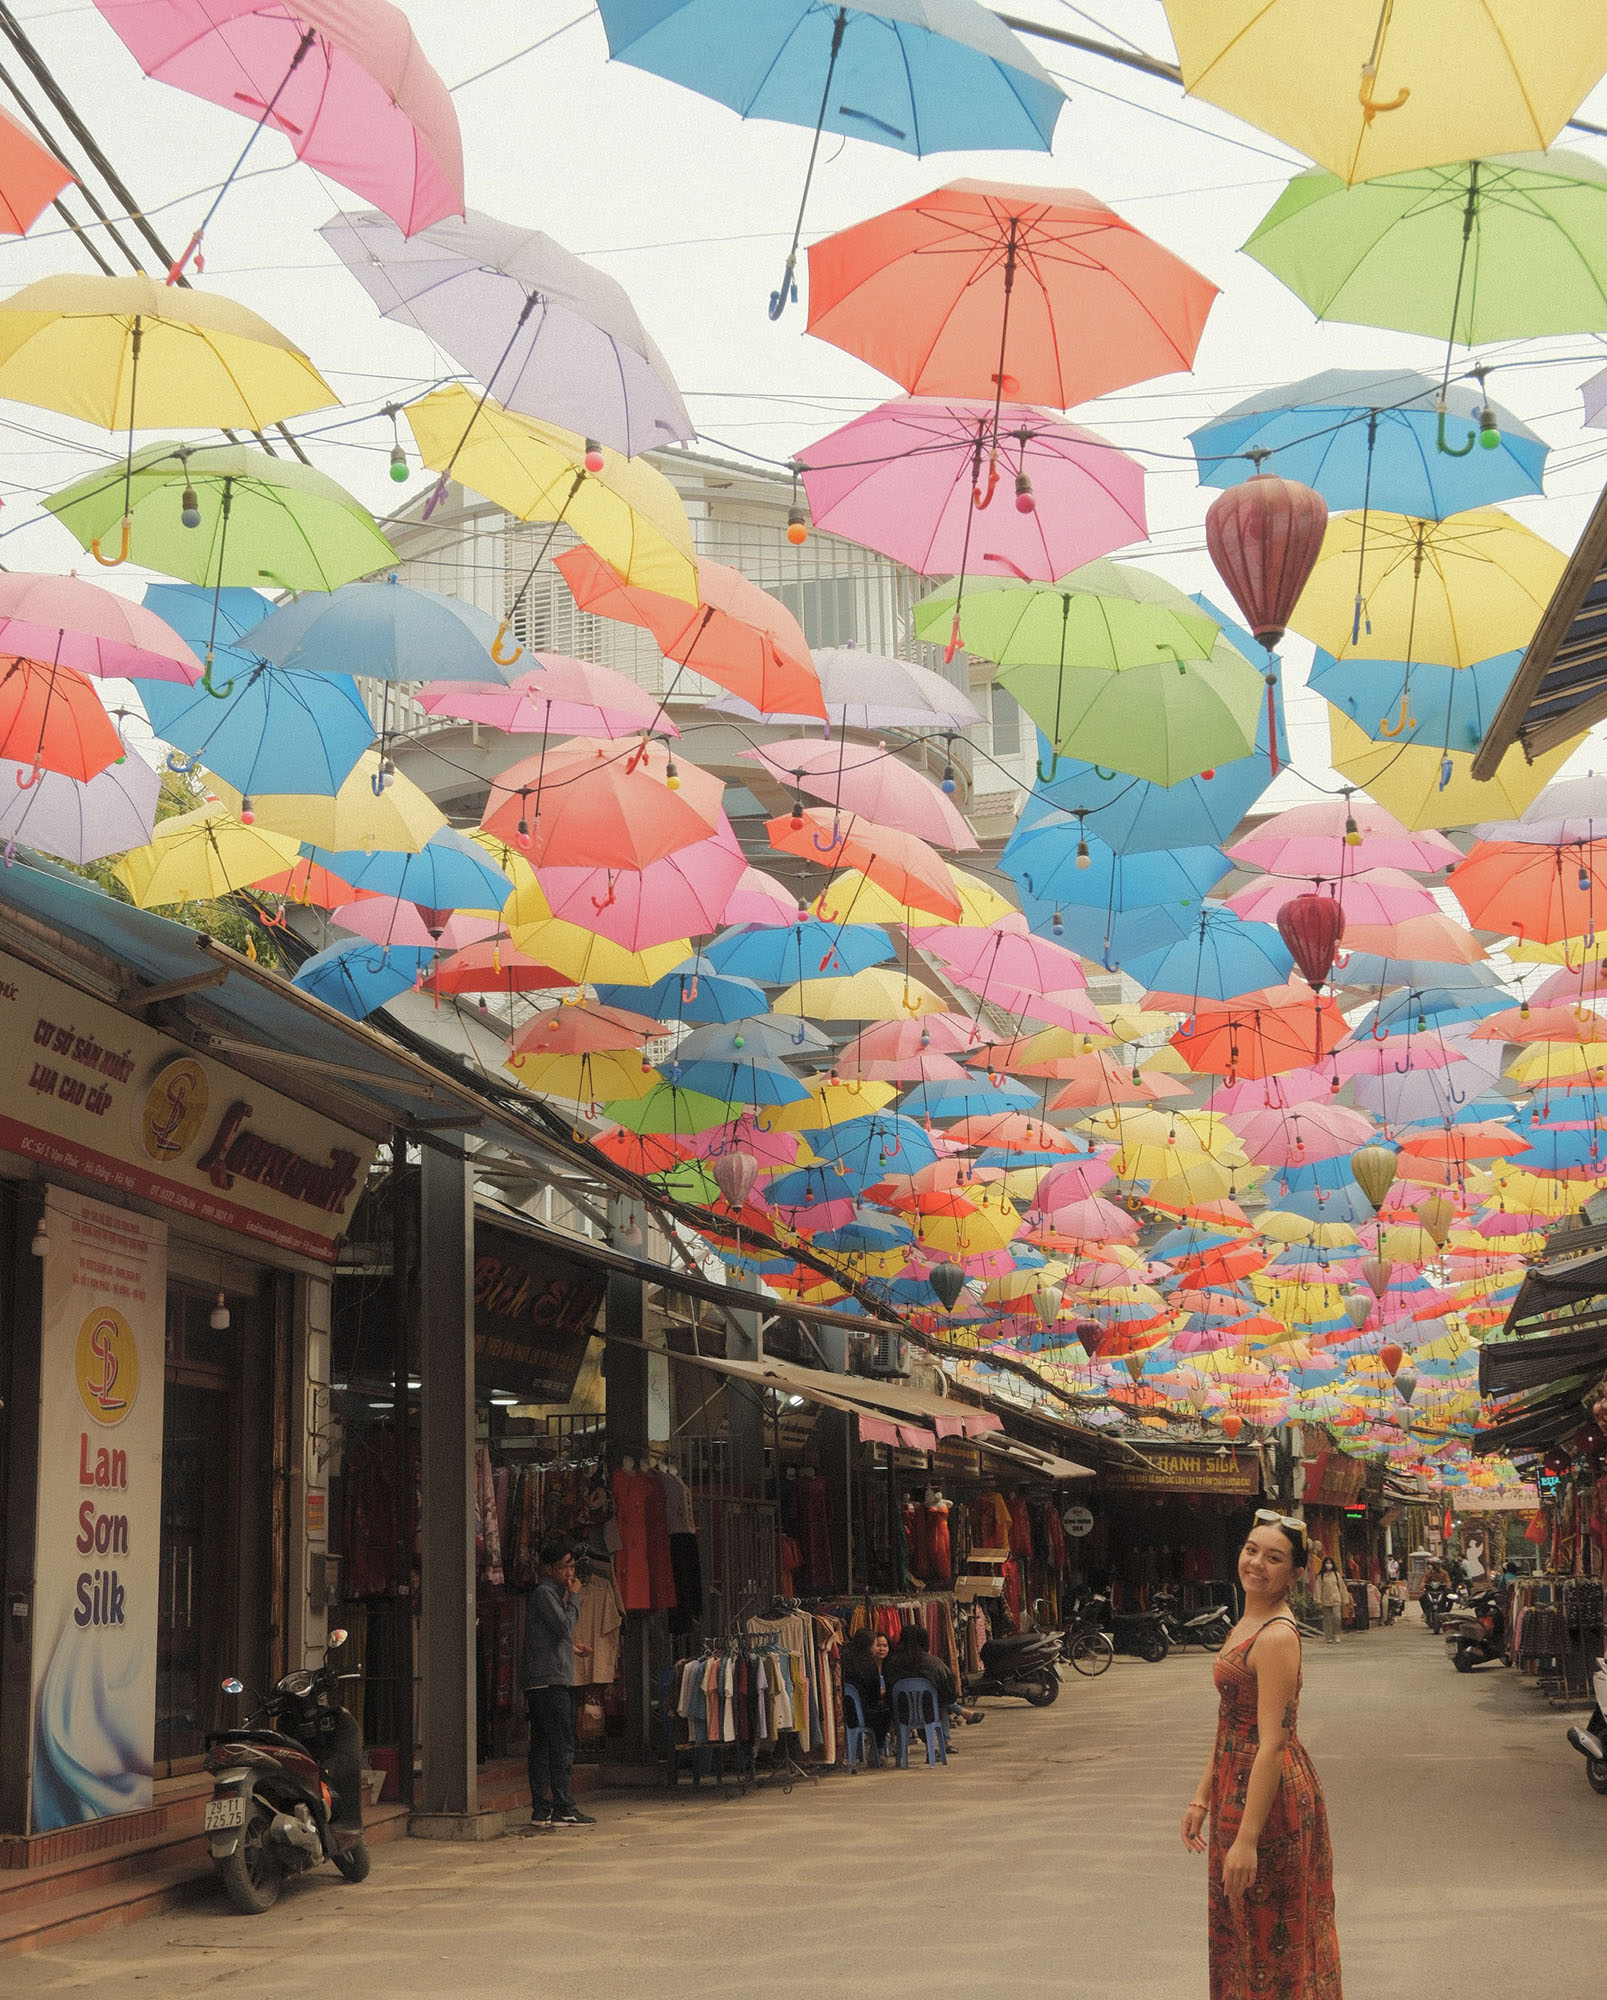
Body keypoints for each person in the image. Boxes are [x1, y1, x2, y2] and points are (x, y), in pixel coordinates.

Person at [1182, 1510, 1342, 1999]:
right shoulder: (1247, 1619)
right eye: (1252, 1550)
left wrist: (1247, 1838)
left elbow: (1271, 1742)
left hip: (1268, 1800)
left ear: (1294, 1575)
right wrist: (1202, 1797)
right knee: (1241, 1931)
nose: (1256, 1563)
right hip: (1237, 1784)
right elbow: (1231, 1720)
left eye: (1274, 1558)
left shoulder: (1274, 1636)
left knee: (1272, 1936)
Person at [520, 1537, 595, 1830]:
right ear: (549, 1568)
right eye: (565, 1567)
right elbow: (563, 1626)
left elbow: (549, 1635)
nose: (570, 1574)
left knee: (542, 1745)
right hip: (550, 1683)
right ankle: (564, 1806)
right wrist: (575, 1598)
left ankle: (542, 1809)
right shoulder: (545, 1594)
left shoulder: (547, 1595)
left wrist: (572, 1649)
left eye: (572, 1566)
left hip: (543, 1680)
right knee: (561, 1744)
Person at [842, 1629, 893, 1746]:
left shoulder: (845, 1659)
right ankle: (878, 1748)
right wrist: (881, 1693)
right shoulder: (869, 1664)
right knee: (885, 1712)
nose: (878, 1648)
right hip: (861, 1714)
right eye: (876, 1645)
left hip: (844, 1712)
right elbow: (874, 1697)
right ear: (869, 1645)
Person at [1315, 1557, 1345, 1646]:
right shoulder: (1321, 1576)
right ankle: (1328, 1636)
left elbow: (1342, 1587)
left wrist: (1344, 1598)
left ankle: (1337, 1634)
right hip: (1325, 1600)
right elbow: (1318, 1588)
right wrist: (1318, 1599)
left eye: (1330, 1563)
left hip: (1336, 1599)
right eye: (1327, 1563)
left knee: (1337, 1617)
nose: (1328, 1565)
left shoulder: (1336, 1574)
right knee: (1327, 1620)